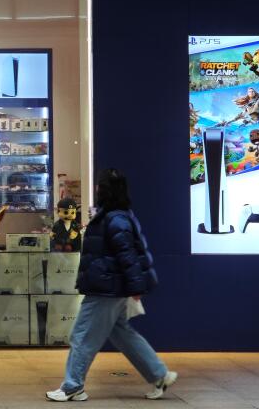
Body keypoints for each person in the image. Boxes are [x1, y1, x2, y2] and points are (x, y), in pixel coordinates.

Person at [46, 168, 177, 402]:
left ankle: (72, 386)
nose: (96, 189)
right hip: (110, 286)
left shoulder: (115, 218)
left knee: (82, 335)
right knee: (124, 336)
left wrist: (136, 287)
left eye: (99, 186)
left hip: (105, 287)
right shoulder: (115, 215)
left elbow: (127, 254)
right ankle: (160, 375)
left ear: (105, 190)